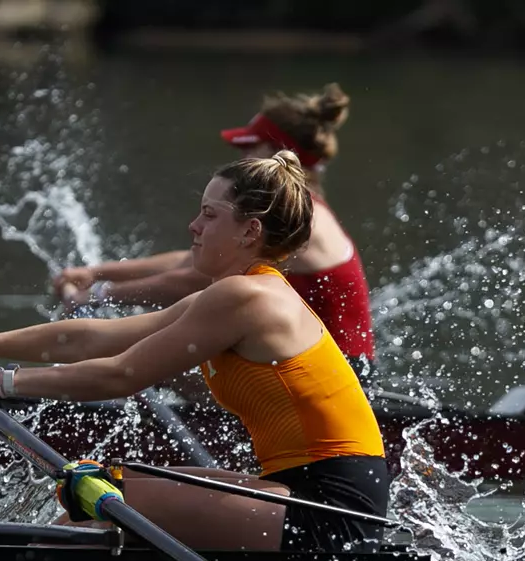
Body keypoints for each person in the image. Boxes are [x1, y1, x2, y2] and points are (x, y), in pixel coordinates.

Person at [0, 152, 387, 553]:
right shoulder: (238, 293)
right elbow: (95, 338)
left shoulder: (247, 298)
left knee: (93, 498)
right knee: (101, 485)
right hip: (303, 492)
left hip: (331, 511)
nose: (193, 225)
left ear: (250, 231)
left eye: (210, 214)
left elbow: (121, 375)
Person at [53, 84, 375, 369]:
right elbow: (188, 260)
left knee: (143, 354)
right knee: (153, 350)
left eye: (249, 148)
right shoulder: (298, 207)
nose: (240, 155)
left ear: (279, 155)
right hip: (307, 357)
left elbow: (193, 281)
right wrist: (96, 274)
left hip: (340, 369)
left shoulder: (300, 218)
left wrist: (96, 296)